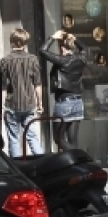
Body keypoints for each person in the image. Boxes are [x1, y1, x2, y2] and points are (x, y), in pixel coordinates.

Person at [39, 14, 88, 151]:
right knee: (73, 140)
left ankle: (77, 155)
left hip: (64, 102)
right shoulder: (80, 59)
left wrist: (53, 38)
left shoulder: (63, 61)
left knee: (58, 138)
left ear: (62, 47)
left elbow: (42, 51)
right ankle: (76, 162)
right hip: (78, 101)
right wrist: (75, 39)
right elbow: (86, 49)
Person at [0, 27, 44, 157]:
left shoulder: (5, 60)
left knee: (14, 139)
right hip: (29, 103)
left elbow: (3, 86)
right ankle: (42, 162)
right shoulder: (33, 59)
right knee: (32, 137)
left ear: (12, 41)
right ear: (25, 43)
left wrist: (1, 106)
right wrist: (40, 103)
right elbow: (38, 84)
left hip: (11, 104)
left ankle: (17, 167)